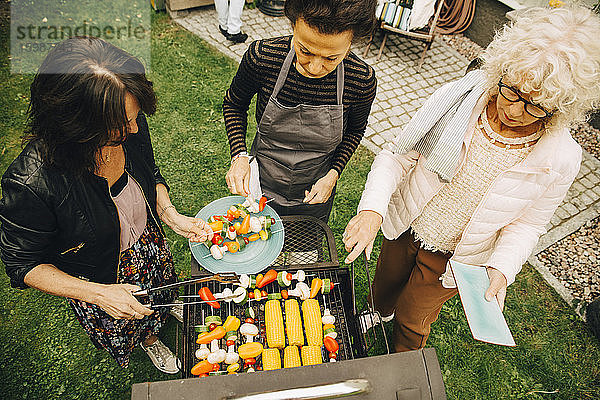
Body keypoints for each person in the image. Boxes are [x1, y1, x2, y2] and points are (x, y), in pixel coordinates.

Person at [342, 6, 600, 352]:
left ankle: (405, 362)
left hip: (457, 255)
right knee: (385, 282)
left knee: (414, 317)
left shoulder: (562, 158)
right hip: (406, 222)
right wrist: (372, 210)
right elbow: (398, 155)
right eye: (510, 91)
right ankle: (377, 312)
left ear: (562, 107)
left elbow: (529, 224)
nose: (513, 110)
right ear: (501, 69)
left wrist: (502, 268)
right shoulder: (459, 97)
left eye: (535, 106)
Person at [0, 37, 213, 373]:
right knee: (129, 317)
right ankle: (149, 340)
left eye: (133, 117)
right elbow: (21, 263)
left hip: (146, 241)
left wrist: (168, 213)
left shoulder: (127, 124)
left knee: (161, 284)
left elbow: (148, 170)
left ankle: (164, 307)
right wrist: (99, 294)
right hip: (101, 273)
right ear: (74, 125)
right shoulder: (30, 183)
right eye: (118, 125)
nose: (132, 128)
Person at [223, 0, 377, 223]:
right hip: (260, 183)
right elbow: (234, 104)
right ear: (293, 25)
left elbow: (355, 131)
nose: (314, 67)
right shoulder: (263, 57)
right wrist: (239, 156)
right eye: (304, 50)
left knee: (304, 254)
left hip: (314, 193)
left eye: (331, 58)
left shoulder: (360, 80)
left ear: (351, 42)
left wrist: (333, 174)